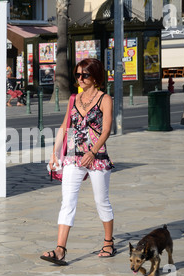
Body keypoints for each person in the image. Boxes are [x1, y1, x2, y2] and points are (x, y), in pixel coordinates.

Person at [40, 58, 115, 265]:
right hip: (73, 157)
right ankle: (60, 249)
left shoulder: (104, 99)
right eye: (78, 75)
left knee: (101, 201)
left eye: (85, 75)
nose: (80, 79)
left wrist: (93, 151)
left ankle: (108, 242)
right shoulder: (74, 99)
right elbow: (65, 127)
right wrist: (55, 152)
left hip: (97, 157)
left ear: (96, 77)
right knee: (68, 202)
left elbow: (107, 129)